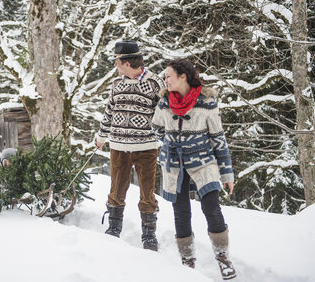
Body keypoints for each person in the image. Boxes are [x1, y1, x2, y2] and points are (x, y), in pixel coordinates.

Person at [151, 58, 236, 280]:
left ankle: (222, 258)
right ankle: (187, 261)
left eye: (169, 76)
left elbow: (218, 138)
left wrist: (227, 173)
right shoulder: (164, 103)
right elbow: (156, 126)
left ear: (183, 76)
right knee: (181, 212)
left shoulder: (207, 102)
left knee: (211, 208)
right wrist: (169, 141)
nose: (165, 80)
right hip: (174, 165)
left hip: (203, 164)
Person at [95, 40, 165, 251]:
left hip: (146, 147)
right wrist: (101, 136)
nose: (115, 65)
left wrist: (161, 137)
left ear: (126, 62)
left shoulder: (155, 83)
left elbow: (164, 115)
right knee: (116, 189)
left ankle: (149, 235)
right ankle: (114, 229)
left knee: (147, 192)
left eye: (116, 61)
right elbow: (109, 111)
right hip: (118, 146)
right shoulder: (117, 84)